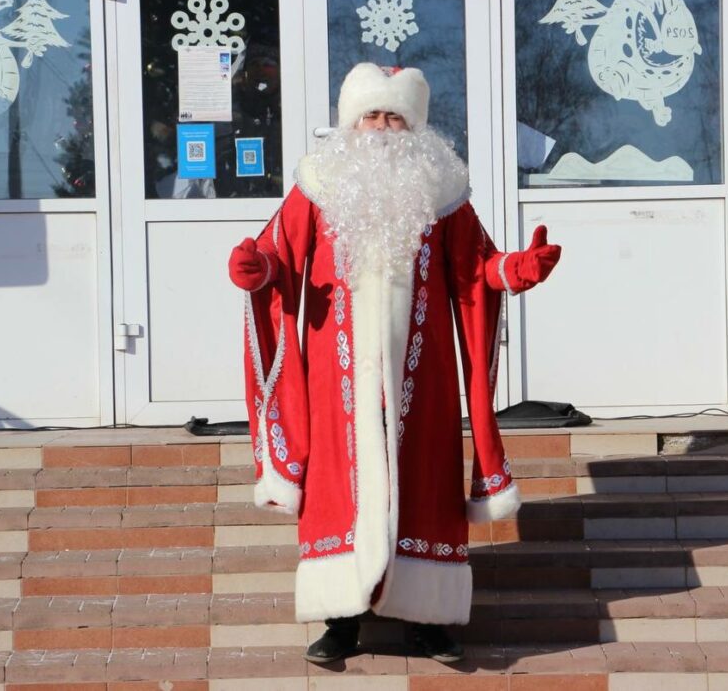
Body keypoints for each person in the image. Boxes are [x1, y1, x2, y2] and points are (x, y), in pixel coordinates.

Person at [227, 63, 561, 662]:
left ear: (415, 126)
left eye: (394, 117)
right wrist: (258, 269)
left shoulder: (442, 193)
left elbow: (477, 267)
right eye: (371, 116)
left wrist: (516, 269)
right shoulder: (317, 185)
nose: (382, 128)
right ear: (351, 123)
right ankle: (340, 620)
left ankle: (426, 619)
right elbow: (277, 253)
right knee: (338, 487)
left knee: (426, 484)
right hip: (338, 379)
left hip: (421, 379)